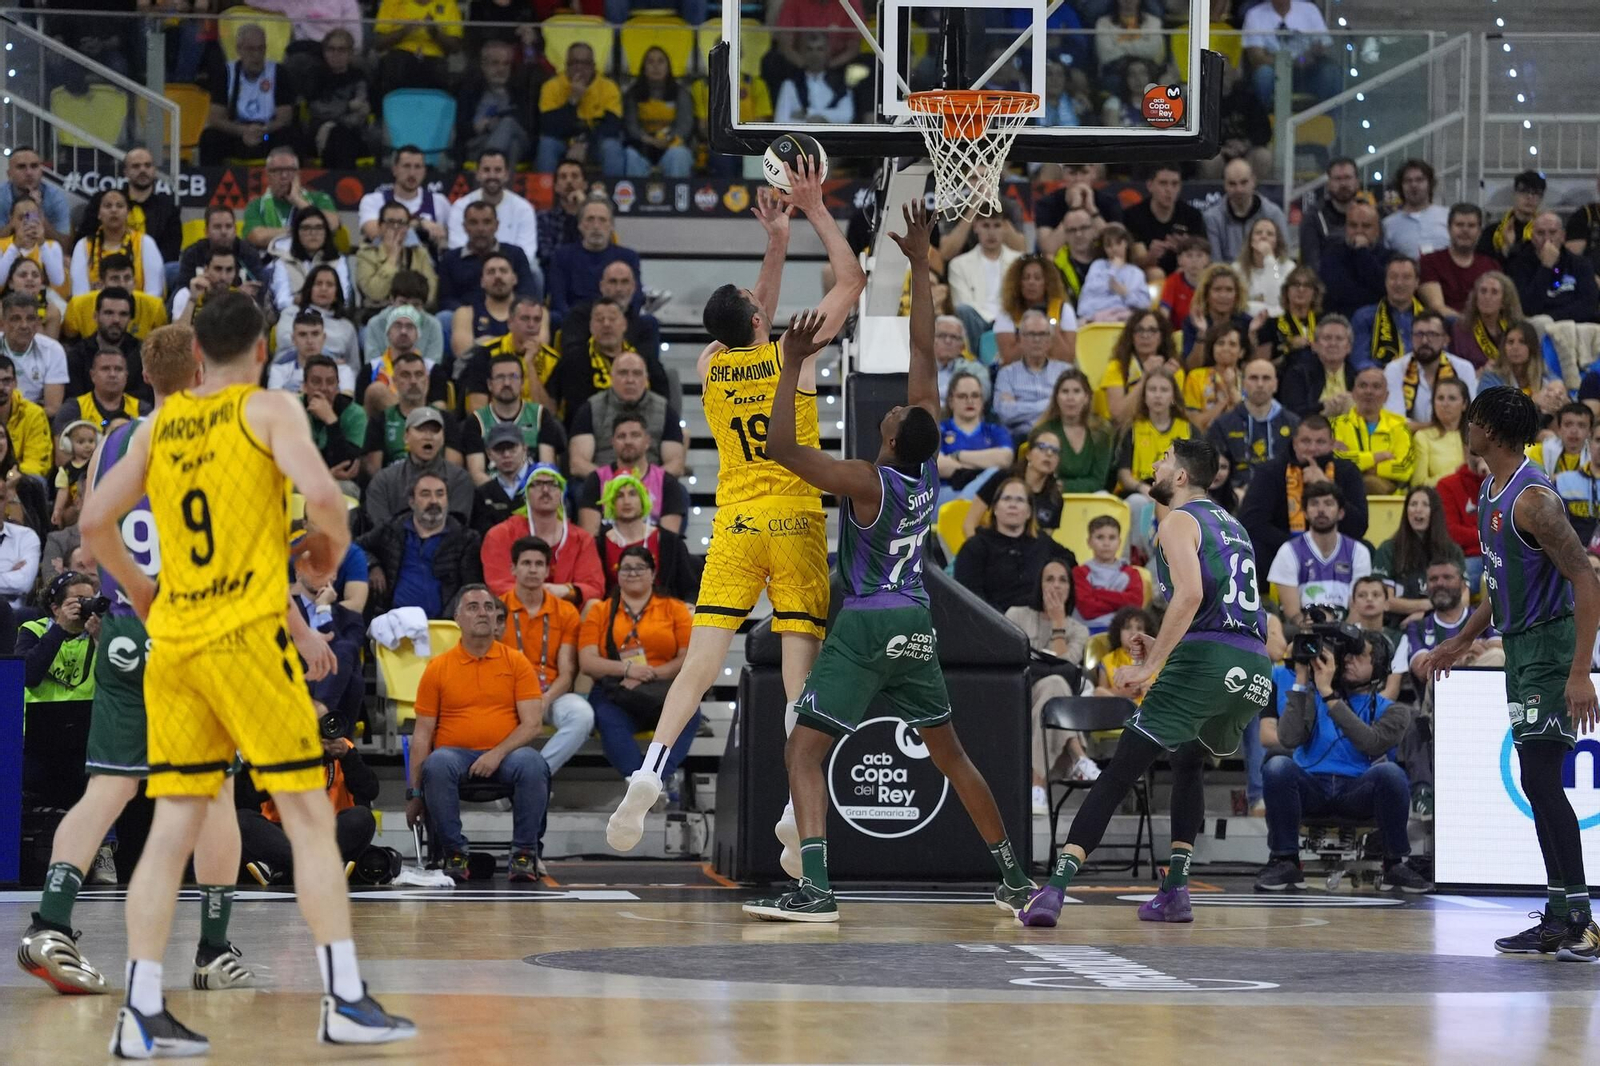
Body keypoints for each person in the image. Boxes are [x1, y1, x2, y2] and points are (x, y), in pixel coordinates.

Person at [78, 293, 414, 1050]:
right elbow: (327, 498)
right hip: (244, 640)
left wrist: (139, 590)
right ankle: (346, 999)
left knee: (170, 830)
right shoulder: (266, 410)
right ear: (260, 350)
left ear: (195, 353)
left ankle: (139, 1011)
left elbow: (93, 522)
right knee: (306, 819)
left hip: (175, 646)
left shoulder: (160, 425)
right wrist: (326, 555)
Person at [743, 207, 1037, 920]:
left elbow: (780, 449)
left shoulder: (866, 480)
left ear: (895, 434)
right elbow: (926, 360)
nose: (903, 406)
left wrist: (788, 368)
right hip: (917, 625)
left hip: (869, 626)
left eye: (903, 412)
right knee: (952, 756)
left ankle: (815, 889)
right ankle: (1013, 878)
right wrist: (917, 264)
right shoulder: (924, 471)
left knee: (805, 755)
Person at [1020, 437, 1275, 927]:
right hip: (1251, 667)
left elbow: (1190, 594)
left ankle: (1052, 892)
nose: (1154, 466)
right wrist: (1164, 642)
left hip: (1208, 662)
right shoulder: (1234, 525)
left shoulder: (1179, 520)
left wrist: (1151, 664)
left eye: (1163, 460)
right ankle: (1175, 890)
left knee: (1120, 772)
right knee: (1189, 765)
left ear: (1181, 477)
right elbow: (1223, 612)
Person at [1252, 630, 1431, 892]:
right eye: (1347, 655)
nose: (1348, 661)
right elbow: (1288, 739)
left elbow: (1370, 743)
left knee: (1391, 773)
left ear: (1378, 664)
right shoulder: (1313, 698)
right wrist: (1302, 681)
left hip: (1357, 792)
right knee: (1277, 764)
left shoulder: (1394, 711)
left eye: (1360, 656)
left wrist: (1328, 694)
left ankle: (1395, 864)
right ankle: (1285, 860)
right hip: (1311, 788)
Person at [408, 584, 549, 882]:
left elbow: (533, 724)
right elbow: (422, 735)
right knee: (438, 763)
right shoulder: (437, 667)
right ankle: (455, 853)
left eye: (488, 607)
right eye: (472, 607)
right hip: (454, 756)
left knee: (533, 764)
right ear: (458, 619)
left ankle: (524, 854)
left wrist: (496, 754)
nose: (482, 613)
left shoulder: (517, 662)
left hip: (507, 756)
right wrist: (415, 793)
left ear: (497, 618)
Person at [578, 543, 699, 784]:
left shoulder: (674, 609)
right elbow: (587, 661)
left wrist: (648, 674)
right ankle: (638, 782)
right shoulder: (600, 611)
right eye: (626, 568)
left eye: (639, 568)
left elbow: (687, 656)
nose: (632, 573)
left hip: (661, 689)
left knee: (690, 712)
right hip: (615, 690)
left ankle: (657, 781)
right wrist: (628, 670)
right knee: (607, 717)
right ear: (617, 573)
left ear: (653, 574)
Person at [1239, 416, 1368, 595]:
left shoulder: (1347, 471)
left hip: (1334, 548)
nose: (1313, 449)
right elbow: (1252, 522)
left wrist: (1326, 486)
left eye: (1320, 442)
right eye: (1306, 441)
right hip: (1281, 547)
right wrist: (1296, 548)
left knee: (1365, 547)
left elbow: (1359, 525)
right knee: (1253, 550)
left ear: (1332, 445)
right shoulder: (1270, 471)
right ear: (1294, 443)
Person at [499, 535, 593, 775]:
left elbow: (567, 673)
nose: (532, 570)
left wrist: (545, 699)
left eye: (539, 564)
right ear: (513, 569)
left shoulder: (565, 611)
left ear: (547, 570)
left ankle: (535, 776)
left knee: (581, 715)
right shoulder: (496, 609)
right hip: (508, 695)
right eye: (526, 563)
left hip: (549, 694)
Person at [359, 473, 482, 618]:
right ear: (411, 501)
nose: (434, 501)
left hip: (444, 626)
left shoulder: (466, 539)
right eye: (425, 494)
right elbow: (354, 547)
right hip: (393, 623)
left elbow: (469, 588)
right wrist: (372, 565)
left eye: (440, 494)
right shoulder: (391, 530)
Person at [480, 463, 604, 601]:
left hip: (568, 616)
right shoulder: (501, 535)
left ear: (562, 492)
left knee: (593, 605)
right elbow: (499, 586)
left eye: (552, 484)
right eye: (537, 484)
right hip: (518, 612)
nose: (545, 490)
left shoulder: (581, 539)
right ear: (526, 493)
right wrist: (540, 594)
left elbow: (594, 587)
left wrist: (565, 590)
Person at [954, 474, 1074, 610]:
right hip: (993, 622)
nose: (1013, 505)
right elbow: (968, 598)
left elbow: (1071, 561)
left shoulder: (1042, 542)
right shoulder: (975, 547)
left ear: (1029, 512)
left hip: (1038, 618)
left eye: (1020, 500)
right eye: (1006, 499)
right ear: (995, 509)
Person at [1267, 481, 1373, 624]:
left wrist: (1341, 634)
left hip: (1346, 631)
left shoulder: (1359, 552)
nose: (1321, 510)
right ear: (1304, 512)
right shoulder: (1288, 551)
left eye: (1328, 503)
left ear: (1341, 513)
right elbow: (1292, 613)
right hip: (1304, 631)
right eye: (1314, 504)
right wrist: (1313, 629)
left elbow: (1358, 608)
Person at [568, 350, 685, 478]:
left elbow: (676, 465)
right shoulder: (590, 408)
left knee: (680, 493)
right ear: (611, 377)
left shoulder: (665, 410)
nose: (630, 380)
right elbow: (578, 464)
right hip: (603, 484)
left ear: (646, 379)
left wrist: (644, 484)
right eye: (623, 373)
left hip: (651, 485)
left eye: (637, 373)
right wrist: (617, 483)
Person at [1114, 368, 1193, 555]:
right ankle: (1135, 556)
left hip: (1178, 492)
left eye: (1164, 390)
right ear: (1144, 396)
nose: (1158, 395)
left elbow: (1196, 470)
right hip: (1142, 492)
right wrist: (1144, 489)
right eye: (1152, 389)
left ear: (1173, 396)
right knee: (1136, 503)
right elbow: (1123, 473)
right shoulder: (1132, 429)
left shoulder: (1188, 429)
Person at [199, 24, 301, 165]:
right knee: (210, 138)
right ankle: (211, 184)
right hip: (237, 134)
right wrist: (243, 131)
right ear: (239, 49)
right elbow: (216, 117)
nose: (256, 55)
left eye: (261, 49)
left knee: (291, 135)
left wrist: (262, 131)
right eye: (251, 49)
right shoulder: (226, 73)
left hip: (266, 134)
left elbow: (284, 117)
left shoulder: (278, 72)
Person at [575, 414, 688, 535]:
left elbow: (668, 540)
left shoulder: (667, 482)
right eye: (621, 436)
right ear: (612, 442)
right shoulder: (596, 479)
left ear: (647, 441)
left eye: (635, 435)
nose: (628, 441)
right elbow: (590, 537)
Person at [364, 406, 475, 529]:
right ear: (406, 437)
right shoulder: (384, 481)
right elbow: (379, 528)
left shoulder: (459, 479)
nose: (428, 436)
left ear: (443, 438)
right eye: (421, 430)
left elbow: (457, 528)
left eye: (435, 431)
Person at [1206, 356, 1299, 499]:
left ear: (1275, 384)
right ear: (1243, 384)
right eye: (1254, 378)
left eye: (1266, 378)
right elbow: (1212, 471)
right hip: (1236, 501)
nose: (1260, 384)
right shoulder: (1222, 425)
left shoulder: (1293, 424)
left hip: (1285, 498)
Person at [461, 354, 564, 479]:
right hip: (492, 494)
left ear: (522, 382)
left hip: (533, 492)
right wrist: (504, 497)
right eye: (500, 377)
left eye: (513, 377)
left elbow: (547, 468)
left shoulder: (540, 415)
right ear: (489, 384)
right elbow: (477, 474)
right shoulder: (476, 421)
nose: (507, 383)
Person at [1373, 484, 1468, 617]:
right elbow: (1385, 600)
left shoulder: (1452, 551)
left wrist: (1425, 616)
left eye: (1425, 505)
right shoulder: (1388, 549)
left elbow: (1464, 598)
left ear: (1435, 512)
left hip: (1440, 622)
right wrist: (1429, 605)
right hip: (1398, 626)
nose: (1418, 510)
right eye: (1413, 504)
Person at [546, 199, 644, 326]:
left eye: (602, 220)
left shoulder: (628, 257)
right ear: (580, 225)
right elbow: (558, 300)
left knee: (648, 321)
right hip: (575, 323)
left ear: (612, 226)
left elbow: (636, 297)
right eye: (590, 219)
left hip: (617, 323)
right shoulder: (562, 256)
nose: (596, 226)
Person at [439, 203, 541, 323]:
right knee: (444, 318)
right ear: (465, 227)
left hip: (509, 315)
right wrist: (474, 313)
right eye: (473, 222)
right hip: (466, 319)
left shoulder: (515, 254)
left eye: (487, 222)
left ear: (496, 225)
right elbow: (445, 300)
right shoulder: (450, 259)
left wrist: (501, 311)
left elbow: (527, 293)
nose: (480, 229)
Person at [535, 42, 626, 176]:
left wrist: (584, 143)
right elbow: (548, 127)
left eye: (585, 63)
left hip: (595, 143)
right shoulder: (551, 86)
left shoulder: (608, 87)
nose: (579, 68)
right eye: (574, 63)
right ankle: (544, 195)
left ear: (593, 66)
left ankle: (613, 195)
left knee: (611, 147)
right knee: (547, 144)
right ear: (566, 65)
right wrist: (573, 100)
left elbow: (613, 126)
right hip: (562, 142)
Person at [1383, 311, 1480, 428]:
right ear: (1411, 338)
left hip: (1454, 440)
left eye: (1432, 334)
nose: (1424, 341)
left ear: (1445, 339)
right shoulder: (1395, 369)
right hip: (1408, 441)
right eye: (1419, 334)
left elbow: (1470, 417)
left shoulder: (1463, 368)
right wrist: (1435, 430)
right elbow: (1395, 421)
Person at [964, 428, 1065, 538]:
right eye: (1042, 447)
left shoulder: (1055, 498)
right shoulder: (1002, 478)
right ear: (1028, 454)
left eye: (1055, 451)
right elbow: (969, 525)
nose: (1049, 454)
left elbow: (1044, 543)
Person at [447, 149, 539, 267]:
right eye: (486, 170)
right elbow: (457, 248)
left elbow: (527, 252)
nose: (492, 176)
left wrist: (500, 271)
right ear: (478, 174)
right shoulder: (460, 207)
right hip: (469, 267)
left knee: (535, 270)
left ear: (506, 175)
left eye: (498, 170)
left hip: (511, 271)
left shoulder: (523, 208)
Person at [1332, 366, 1415, 494]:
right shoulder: (1335, 425)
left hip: (1391, 499)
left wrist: (1365, 466)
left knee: (1371, 483)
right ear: (1353, 393)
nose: (1369, 391)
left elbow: (1405, 468)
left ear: (1386, 396)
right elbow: (1335, 461)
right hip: (1346, 494)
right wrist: (1377, 457)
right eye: (1363, 386)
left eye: (1376, 387)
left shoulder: (1399, 426)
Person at [455, 44, 537, 174]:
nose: (501, 69)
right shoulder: (470, 91)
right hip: (478, 144)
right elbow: (460, 128)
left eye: (506, 64)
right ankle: (502, 187)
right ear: (483, 65)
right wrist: (478, 127)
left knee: (508, 124)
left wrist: (498, 120)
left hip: (519, 140)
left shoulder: (519, 90)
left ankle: (488, 170)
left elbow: (528, 123)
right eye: (495, 63)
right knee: (512, 146)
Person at [1240, 0, 1339, 107]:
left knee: (1330, 73)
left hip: (1307, 72)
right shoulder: (1254, 14)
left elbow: (1324, 46)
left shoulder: (1310, 10)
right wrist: (1292, 62)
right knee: (1263, 75)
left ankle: (1327, 119)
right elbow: (1257, 58)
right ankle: (1264, 120)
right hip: (1275, 72)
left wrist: (1313, 53)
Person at [69, 189, 163, 300]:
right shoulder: (84, 245)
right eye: (108, 206)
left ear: (128, 213)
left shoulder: (145, 243)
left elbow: (154, 293)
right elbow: (80, 296)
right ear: (99, 214)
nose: (114, 210)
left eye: (119, 206)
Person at [1509, 212, 1600, 325]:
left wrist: (1551, 317)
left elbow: (1588, 306)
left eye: (1552, 232)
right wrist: (1546, 267)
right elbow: (1528, 307)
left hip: (1576, 327)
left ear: (1562, 236)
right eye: (1540, 233)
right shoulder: (1519, 265)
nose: (1547, 239)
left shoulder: (1581, 264)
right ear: (1532, 237)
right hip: (1537, 328)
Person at [1032, 366, 1113, 493]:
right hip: (1050, 495)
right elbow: (1036, 476)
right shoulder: (1042, 432)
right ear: (1056, 398)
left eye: (1076, 391)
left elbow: (1098, 481)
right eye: (1065, 391)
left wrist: (1064, 486)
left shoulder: (1102, 433)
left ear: (1086, 397)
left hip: (1090, 498)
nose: (1070, 398)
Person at [947, 215, 1023, 350]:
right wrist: (991, 320)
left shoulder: (1018, 261)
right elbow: (961, 302)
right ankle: (978, 358)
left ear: (1004, 228)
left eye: (997, 226)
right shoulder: (958, 264)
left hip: (1009, 318)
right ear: (976, 227)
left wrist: (1000, 320)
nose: (991, 232)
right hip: (977, 320)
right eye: (986, 225)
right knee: (963, 310)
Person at [937, 370, 1012, 502]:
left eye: (975, 395)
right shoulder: (940, 430)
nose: (970, 401)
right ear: (951, 401)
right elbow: (939, 465)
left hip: (988, 497)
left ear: (982, 400)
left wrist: (957, 455)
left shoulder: (995, 431)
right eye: (962, 396)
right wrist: (983, 470)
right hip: (947, 492)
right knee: (992, 474)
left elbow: (1005, 459)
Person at [270, 269, 361, 379]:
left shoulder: (346, 326)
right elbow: (285, 340)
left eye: (329, 284)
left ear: (337, 293)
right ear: (309, 289)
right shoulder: (291, 313)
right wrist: (327, 357)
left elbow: (354, 366)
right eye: (318, 283)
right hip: (289, 371)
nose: (324, 288)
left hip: (332, 378)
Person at [1098, 309, 1183, 425]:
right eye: (1139, 330)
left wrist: (1166, 379)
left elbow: (1177, 415)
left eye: (1152, 330)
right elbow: (1119, 416)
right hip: (1125, 432)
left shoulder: (1174, 370)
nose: (1145, 335)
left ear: (1161, 337)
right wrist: (1146, 377)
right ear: (1131, 336)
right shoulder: (1116, 367)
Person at [356, 146, 452, 249]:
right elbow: (374, 232)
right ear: (395, 169)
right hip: (386, 263)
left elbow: (455, 236)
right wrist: (419, 224)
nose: (412, 173)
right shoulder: (374, 200)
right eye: (406, 166)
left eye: (418, 167)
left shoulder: (439, 202)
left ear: (424, 171)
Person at [621, 47, 694, 178]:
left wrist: (667, 140)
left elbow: (685, 126)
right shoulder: (632, 94)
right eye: (650, 62)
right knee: (629, 155)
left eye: (660, 62)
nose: (656, 66)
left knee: (679, 154)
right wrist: (650, 140)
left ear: (668, 66)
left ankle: (677, 197)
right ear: (644, 67)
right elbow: (630, 126)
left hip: (671, 146)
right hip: (642, 147)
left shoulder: (681, 93)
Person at [992, 310, 1065, 439]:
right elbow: (1005, 413)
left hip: (1060, 435)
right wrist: (1053, 404)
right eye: (1031, 334)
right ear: (1020, 339)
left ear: (1050, 340)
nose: (1036, 339)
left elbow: (1072, 408)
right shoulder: (1006, 374)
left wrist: (1019, 406)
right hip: (1021, 437)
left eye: (1042, 334)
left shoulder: (1064, 372)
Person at [1124, 163, 1207, 276]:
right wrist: (1150, 256)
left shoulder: (1192, 215)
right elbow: (1129, 262)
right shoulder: (1133, 215)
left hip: (1183, 271)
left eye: (1175, 184)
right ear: (1150, 185)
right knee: (1155, 273)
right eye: (1163, 183)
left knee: (1184, 272)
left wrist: (1185, 248)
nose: (1169, 190)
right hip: (1147, 273)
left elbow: (1205, 256)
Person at [1203, 159, 1290, 265]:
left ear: (1253, 181)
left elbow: (1284, 256)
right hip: (1227, 278)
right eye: (1232, 184)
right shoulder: (1212, 218)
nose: (1239, 189)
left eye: (1244, 182)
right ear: (1224, 185)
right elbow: (1215, 262)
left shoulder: (1274, 214)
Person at [298, 355, 366, 490]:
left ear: (337, 386)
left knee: (348, 489)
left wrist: (331, 420)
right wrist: (327, 476)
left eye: (330, 382)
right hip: (299, 480)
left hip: (338, 483)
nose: (324, 388)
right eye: (316, 382)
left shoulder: (355, 414)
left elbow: (347, 467)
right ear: (305, 386)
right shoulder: (292, 409)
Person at [63, 286, 144, 399]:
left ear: (130, 319)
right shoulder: (77, 356)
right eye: (109, 313)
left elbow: (145, 401)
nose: (116, 320)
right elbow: (74, 401)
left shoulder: (142, 354)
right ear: (96, 316)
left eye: (123, 314)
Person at [994, 255, 1077, 365]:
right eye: (1025, 278)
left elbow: (1067, 359)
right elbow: (1008, 359)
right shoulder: (1008, 313)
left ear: (1047, 283)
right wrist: (1031, 331)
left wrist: (1050, 326)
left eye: (1037, 278)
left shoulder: (1063, 310)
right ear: (1018, 283)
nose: (1031, 282)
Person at [268, 207, 352, 314]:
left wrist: (307, 299)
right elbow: (282, 302)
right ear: (296, 232)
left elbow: (344, 299)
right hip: (294, 317)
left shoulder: (338, 261)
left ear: (326, 232)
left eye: (319, 228)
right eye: (306, 228)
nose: (313, 233)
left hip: (330, 317)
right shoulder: (283, 261)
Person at [356, 202, 440, 309]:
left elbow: (430, 294)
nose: (396, 227)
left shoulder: (420, 253)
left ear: (408, 227)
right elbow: (375, 294)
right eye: (390, 222)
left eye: (401, 223)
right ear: (380, 226)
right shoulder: (366, 254)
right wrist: (392, 259)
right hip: (378, 313)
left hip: (415, 311)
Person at [1420, 203, 1497, 318]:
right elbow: (1437, 307)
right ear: (1449, 228)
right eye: (1459, 225)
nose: (1465, 230)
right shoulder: (1430, 262)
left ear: (1480, 231)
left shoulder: (1491, 266)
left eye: (1471, 226)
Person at [1, 292, 69, 417]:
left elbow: (53, 408)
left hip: (35, 418)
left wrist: (21, 420)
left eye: (30, 318)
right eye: (16, 319)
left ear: (38, 322)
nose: (24, 325)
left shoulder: (53, 350)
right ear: (3, 323)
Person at [373, 0, 463, 92]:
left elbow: (456, 47)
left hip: (434, 59)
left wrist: (435, 33)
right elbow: (378, 44)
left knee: (437, 73)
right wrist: (403, 32)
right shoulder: (391, 2)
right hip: (400, 57)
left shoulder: (448, 3)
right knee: (394, 67)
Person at [1351, 256, 1424, 369]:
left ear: (1417, 283)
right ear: (1385, 281)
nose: (1399, 283)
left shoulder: (1430, 319)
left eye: (1406, 277)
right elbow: (1360, 360)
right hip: (1379, 381)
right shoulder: (1364, 317)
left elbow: (1439, 358)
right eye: (1393, 277)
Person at [1280, 313, 1357, 419]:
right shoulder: (1298, 374)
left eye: (1339, 339)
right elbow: (1291, 414)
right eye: (1327, 338)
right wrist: (1323, 407)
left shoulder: (1358, 376)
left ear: (1349, 347)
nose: (1333, 343)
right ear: (1314, 346)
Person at [1073, 514, 1143, 629]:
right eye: (1100, 537)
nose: (1106, 543)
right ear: (1089, 542)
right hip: (1087, 631)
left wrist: (1097, 593)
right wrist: (1120, 602)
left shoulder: (1131, 573)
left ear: (1119, 542)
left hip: (1120, 634)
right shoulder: (1079, 572)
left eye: (1112, 537)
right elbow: (1087, 609)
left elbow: (1135, 605)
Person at [56, 348, 147, 437]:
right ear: (92, 375)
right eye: (105, 369)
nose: (112, 374)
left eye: (118, 369)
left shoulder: (142, 410)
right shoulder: (73, 409)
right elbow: (61, 449)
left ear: (126, 376)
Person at [1319, 201, 1388, 317]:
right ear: (1346, 228)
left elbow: (1384, 289)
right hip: (1339, 322)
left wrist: (1362, 252)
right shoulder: (1331, 255)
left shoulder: (1388, 257)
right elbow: (1338, 292)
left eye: (1366, 226)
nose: (1359, 231)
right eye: (1353, 225)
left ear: (1377, 231)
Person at [176, 206, 267, 293]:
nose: (224, 232)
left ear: (235, 230)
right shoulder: (192, 253)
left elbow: (260, 290)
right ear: (206, 231)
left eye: (228, 226)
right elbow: (182, 292)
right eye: (217, 227)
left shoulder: (248, 252)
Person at [1298, 157, 1359, 279]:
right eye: (1337, 179)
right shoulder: (1313, 217)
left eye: (1348, 178)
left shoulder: (1370, 215)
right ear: (1328, 184)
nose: (1343, 184)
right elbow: (1311, 266)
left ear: (1357, 181)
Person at [1451, 271, 1525, 371]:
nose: (1487, 297)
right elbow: (1457, 368)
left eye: (1494, 292)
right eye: (1483, 291)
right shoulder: (1462, 328)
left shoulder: (1514, 327)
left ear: (1504, 301)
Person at [1182, 321, 1247, 434]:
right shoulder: (1196, 376)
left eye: (1232, 344)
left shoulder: (1251, 379)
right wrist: (1222, 403)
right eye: (1220, 343)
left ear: (1241, 352)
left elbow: (1253, 422)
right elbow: (1195, 424)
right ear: (1212, 348)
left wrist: (1231, 389)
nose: (1226, 348)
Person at [1076, 224, 1149, 324]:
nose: (1114, 249)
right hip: (1097, 319)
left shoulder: (1136, 273)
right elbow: (1090, 294)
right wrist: (1113, 270)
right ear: (1104, 249)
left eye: (1118, 243)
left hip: (1125, 320)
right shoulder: (1097, 266)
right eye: (1109, 246)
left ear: (1126, 243)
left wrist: (1125, 293)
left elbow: (1143, 304)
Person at [1181, 263, 1255, 361]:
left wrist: (1253, 336)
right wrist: (1201, 333)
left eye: (1229, 290)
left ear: (1237, 294)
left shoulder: (1247, 322)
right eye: (1217, 290)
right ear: (1206, 294)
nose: (1223, 295)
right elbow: (1191, 367)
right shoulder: (1193, 322)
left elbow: (1254, 366)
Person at [1383, 160, 1451, 261]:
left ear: (1430, 184)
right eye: (1408, 181)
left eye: (1419, 180)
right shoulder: (1388, 224)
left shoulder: (1448, 216)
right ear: (1401, 186)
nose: (1414, 185)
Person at [1409, 377, 1470, 488]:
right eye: (1440, 398)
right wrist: (1457, 472)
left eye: (1452, 398)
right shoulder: (1423, 437)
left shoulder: (1476, 437)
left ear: (1464, 404)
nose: (1445, 404)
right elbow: (1418, 485)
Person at [0, 147, 71, 242]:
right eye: (21, 167)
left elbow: (64, 245)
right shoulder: (2, 196)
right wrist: (14, 222)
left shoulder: (56, 198)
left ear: (41, 171)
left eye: (34, 166)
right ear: (9, 174)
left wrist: (39, 215)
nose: (29, 172)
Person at [0, 352, 52, 477]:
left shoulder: (33, 414)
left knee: (35, 481)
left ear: (15, 383)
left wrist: (9, 478)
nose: (1, 387)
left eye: (6, 381)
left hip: (20, 480)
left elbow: (37, 463)